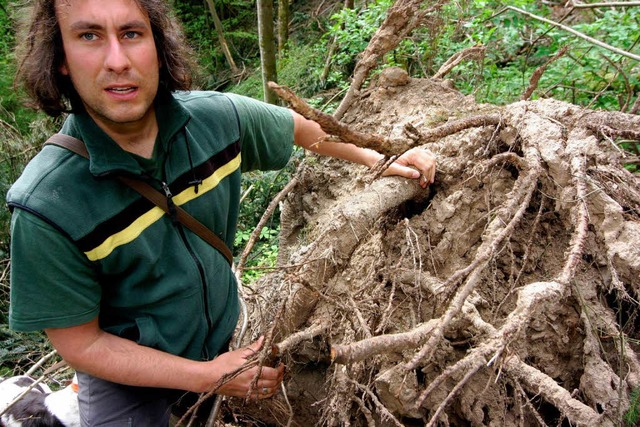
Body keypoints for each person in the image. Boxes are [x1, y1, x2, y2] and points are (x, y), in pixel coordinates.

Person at [6, 0, 436, 425]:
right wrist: (207, 377)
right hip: (129, 381)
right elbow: (81, 346)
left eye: (132, 34)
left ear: (158, 46)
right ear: (60, 60)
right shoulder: (47, 205)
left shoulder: (217, 120)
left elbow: (303, 129)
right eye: (89, 36)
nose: (117, 60)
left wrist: (387, 158)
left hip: (220, 335)